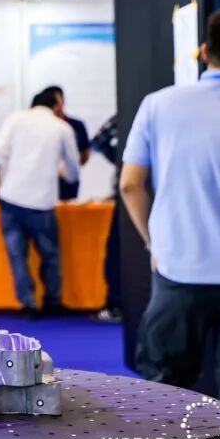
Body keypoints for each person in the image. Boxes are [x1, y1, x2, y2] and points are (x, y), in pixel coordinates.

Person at [120, 5, 220, 439]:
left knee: (165, 393)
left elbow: (130, 184)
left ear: (204, 52)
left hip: (177, 272)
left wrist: (154, 244)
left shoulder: (159, 105)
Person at [0, 89, 81, 317]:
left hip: (10, 199)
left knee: (17, 256)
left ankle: (28, 304)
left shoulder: (15, 119)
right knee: (50, 256)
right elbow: (73, 170)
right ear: (57, 104)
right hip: (42, 202)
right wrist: (64, 173)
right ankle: (52, 301)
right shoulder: (61, 128)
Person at [89, 114, 122, 323]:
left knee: (116, 253)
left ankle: (116, 304)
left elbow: (98, 141)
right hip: (154, 192)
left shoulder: (125, 117)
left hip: (128, 196)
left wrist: (121, 161)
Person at [39, 85, 91, 200]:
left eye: (58, 101)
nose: (57, 106)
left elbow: (85, 152)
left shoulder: (76, 125)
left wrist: (71, 166)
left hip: (68, 183)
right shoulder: (40, 127)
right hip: (45, 181)